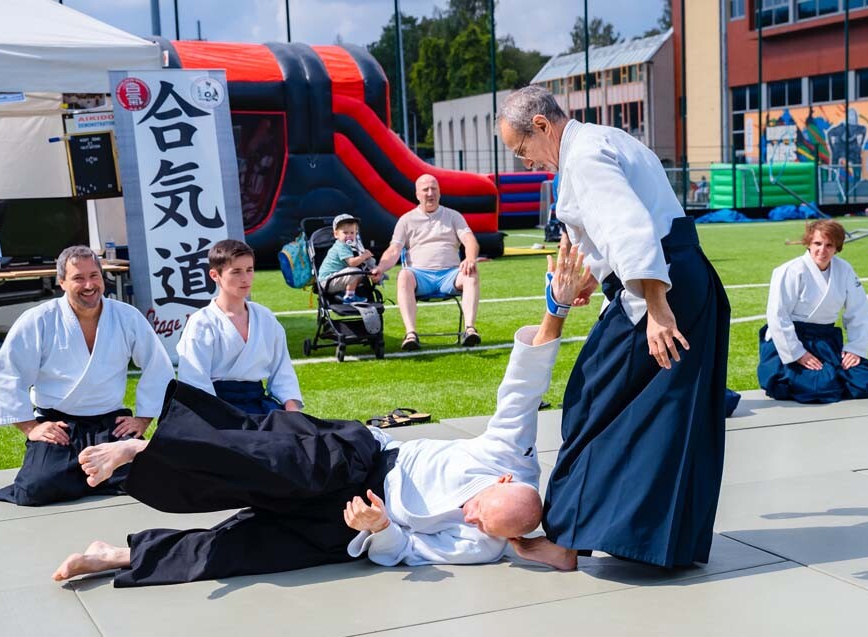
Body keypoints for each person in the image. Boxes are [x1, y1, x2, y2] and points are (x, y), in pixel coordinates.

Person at [51, 241, 590, 587]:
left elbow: (406, 552)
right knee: (275, 463)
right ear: (502, 480)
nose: (470, 519)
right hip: (363, 456)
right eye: (478, 510)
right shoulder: (507, 454)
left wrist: (380, 528)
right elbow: (523, 388)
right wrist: (556, 311)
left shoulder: (483, 543)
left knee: (258, 548)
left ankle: (119, 555)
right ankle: (147, 448)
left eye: (484, 527)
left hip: (361, 518)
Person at [495, 85, 730, 571]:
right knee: (669, 409)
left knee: (589, 398)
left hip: (659, 288)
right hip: (682, 278)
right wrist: (596, 278)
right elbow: (628, 223)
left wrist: (657, 309)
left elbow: (630, 227)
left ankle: (566, 542)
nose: (526, 163)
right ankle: (667, 541)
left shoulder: (583, 157)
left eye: (522, 150)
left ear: (541, 125)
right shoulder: (607, 139)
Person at [0, 245, 174, 506]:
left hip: (111, 424)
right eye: (78, 278)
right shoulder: (39, 319)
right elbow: (5, 374)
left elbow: (157, 366)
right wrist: (31, 427)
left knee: (158, 478)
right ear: (61, 282)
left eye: (94, 275)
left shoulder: (126, 316)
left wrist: (142, 419)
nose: (89, 285)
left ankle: (81, 476)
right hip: (60, 426)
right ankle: (101, 476)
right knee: (35, 489)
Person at [758, 220, 868, 404]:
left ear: (837, 248)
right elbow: (778, 316)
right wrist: (798, 354)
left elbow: (859, 310)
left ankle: (831, 375)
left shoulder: (844, 270)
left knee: (867, 383)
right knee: (821, 387)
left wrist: (855, 349)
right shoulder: (790, 271)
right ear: (808, 243)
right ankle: (813, 376)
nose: (822, 250)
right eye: (817, 243)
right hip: (791, 340)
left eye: (829, 245)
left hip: (826, 342)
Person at [176, 239, 303, 416]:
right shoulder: (202, 323)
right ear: (215, 275)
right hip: (215, 408)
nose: (245, 279)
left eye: (249, 270)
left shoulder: (264, 317)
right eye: (236, 272)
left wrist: (292, 409)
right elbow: (195, 381)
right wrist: (218, 419)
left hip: (259, 405)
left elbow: (282, 370)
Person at [371, 174, 482, 351]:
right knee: (403, 275)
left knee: (471, 273)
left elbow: (470, 241)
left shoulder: (453, 216)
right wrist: (380, 268)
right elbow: (394, 250)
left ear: (439, 192)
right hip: (419, 276)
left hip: (450, 275)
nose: (430, 193)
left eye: (434, 189)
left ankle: (470, 329)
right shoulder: (406, 220)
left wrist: (470, 259)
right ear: (417, 194)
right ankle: (411, 334)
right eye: (425, 190)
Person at [317, 214, 375, 304]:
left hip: (332, 279)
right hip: (327, 281)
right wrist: (364, 256)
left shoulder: (348, 246)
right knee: (355, 272)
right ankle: (349, 297)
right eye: (345, 233)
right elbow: (352, 263)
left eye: (352, 233)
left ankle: (344, 293)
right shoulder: (341, 246)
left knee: (359, 274)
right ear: (336, 234)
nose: (349, 235)